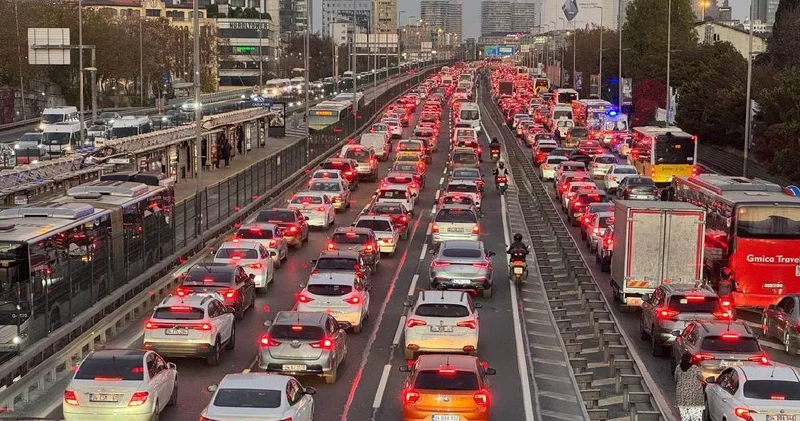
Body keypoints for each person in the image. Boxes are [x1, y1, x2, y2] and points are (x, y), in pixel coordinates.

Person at [675, 352, 704, 421]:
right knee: (696, 416)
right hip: (695, 396)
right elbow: (701, 378)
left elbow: (676, 379)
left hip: (682, 396)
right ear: (690, 359)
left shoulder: (678, 368)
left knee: (685, 417)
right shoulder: (695, 368)